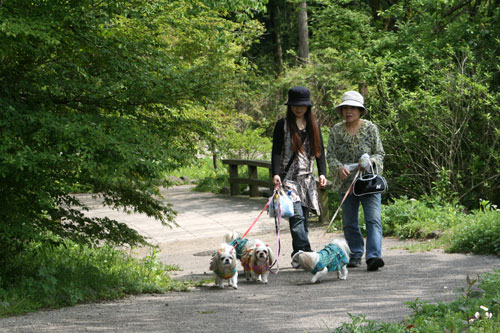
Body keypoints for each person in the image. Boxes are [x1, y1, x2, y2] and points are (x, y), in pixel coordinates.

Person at [326, 90, 386, 271]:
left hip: (368, 182)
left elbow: (380, 153)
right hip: (346, 184)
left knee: (373, 220)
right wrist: (338, 168)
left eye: (353, 107)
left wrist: (370, 162)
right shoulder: (336, 130)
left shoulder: (370, 128)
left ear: (360, 110)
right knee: (349, 221)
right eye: (345, 108)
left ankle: (373, 256)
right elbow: (330, 155)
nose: (348, 111)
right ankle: (355, 253)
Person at [271, 86, 327, 259]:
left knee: (304, 219)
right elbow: (276, 151)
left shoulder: (313, 125)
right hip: (288, 180)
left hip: (307, 179)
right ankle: (307, 252)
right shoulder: (283, 125)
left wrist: (322, 173)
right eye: (295, 105)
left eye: (302, 105)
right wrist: (275, 173)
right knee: (296, 218)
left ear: (308, 106)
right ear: (290, 105)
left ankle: (298, 254)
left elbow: (320, 151)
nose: (298, 108)